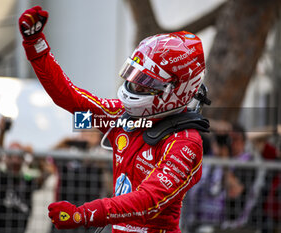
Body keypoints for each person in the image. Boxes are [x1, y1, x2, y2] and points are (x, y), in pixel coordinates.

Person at [18, 6, 210, 233]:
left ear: (177, 89)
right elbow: (70, 98)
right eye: (135, 77)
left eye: (147, 83)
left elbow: (148, 201)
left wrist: (84, 214)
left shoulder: (185, 142)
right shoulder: (121, 116)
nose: (136, 86)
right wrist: (36, 45)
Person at [0, 116, 56, 233]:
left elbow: (49, 171)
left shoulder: (27, 181)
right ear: (5, 157)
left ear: (23, 159)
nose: (15, 157)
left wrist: (34, 154)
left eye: (18, 154)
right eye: (11, 153)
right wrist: (2, 132)